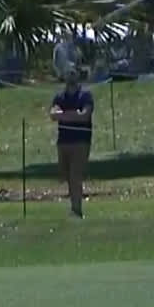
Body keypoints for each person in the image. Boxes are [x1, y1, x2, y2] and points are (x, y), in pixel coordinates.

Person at [48, 68, 94, 217]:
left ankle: (77, 209)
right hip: (63, 142)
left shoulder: (85, 95)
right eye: (68, 73)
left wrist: (64, 115)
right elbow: (53, 114)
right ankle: (74, 206)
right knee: (66, 176)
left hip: (81, 141)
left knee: (76, 176)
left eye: (74, 73)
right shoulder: (60, 97)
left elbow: (84, 116)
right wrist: (74, 115)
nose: (71, 76)